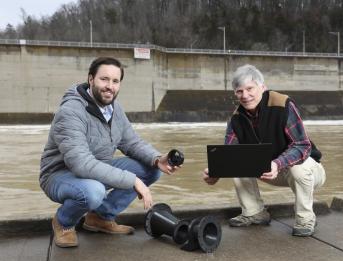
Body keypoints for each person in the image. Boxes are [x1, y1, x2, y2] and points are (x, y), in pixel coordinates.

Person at [40, 57, 180, 248]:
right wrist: (133, 180)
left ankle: (99, 217)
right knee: (93, 192)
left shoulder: (114, 108)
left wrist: (157, 159)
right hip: (59, 175)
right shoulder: (71, 111)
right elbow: (80, 164)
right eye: (104, 79)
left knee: (151, 168)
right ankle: (63, 223)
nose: (110, 86)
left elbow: (131, 142)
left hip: (97, 170)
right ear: (91, 80)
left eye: (115, 81)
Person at [202, 64, 326, 237]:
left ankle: (305, 218)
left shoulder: (283, 104)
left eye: (250, 88)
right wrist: (216, 171)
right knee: (237, 160)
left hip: (308, 171)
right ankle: (255, 213)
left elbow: (302, 146)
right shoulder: (236, 118)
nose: (245, 96)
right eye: (239, 91)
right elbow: (229, 154)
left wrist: (276, 163)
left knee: (299, 167)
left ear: (262, 87)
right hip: (269, 171)